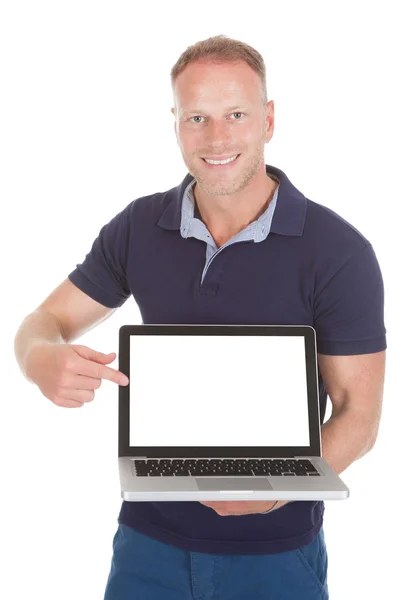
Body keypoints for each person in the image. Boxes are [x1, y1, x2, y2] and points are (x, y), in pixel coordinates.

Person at [14, 34, 386, 600]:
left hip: (276, 557)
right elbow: (43, 321)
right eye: (197, 118)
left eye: (235, 114)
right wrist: (39, 359)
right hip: (146, 545)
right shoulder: (139, 226)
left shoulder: (338, 251)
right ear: (176, 124)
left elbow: (360, 418)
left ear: (267, 119)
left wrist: (275, 488)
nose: (216, 138)